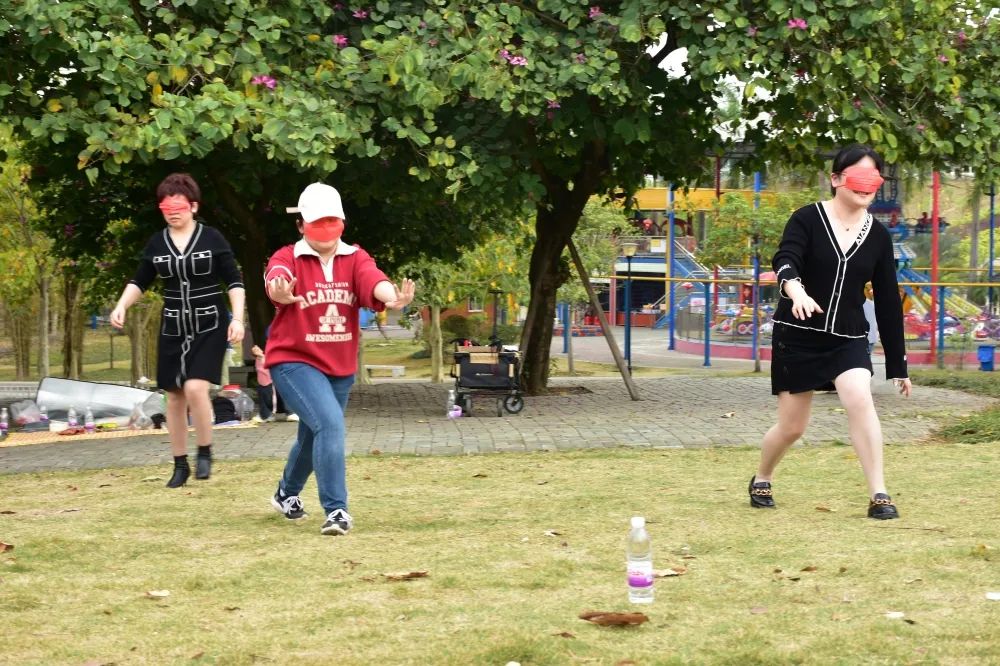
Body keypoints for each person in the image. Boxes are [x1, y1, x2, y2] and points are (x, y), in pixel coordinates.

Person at [749, 144, 912, 520]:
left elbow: (888, 301)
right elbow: (786, 259)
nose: (866, 186)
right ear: (836, 179)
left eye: (873, 178)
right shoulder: (807, 218)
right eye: (858, 177)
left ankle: (879, 494)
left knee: (860, 398)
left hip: (848, 337)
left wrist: (898, 365)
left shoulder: (878, 236)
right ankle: (762, 476)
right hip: (798, 334)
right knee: (793, 428)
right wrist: (796, 291)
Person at [264, 182, 415, 535]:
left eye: (331, 222)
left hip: (339, 366)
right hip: (293, 360)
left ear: (342, 223)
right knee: (330, 425)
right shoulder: (287, 257)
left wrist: (390, 296)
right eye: (317, 222)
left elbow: (372, 280)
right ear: (301, 224)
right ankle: (337, 511)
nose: (326, 230)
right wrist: (280, 291)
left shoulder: (355, 257)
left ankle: (286, 493)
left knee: (313, 435)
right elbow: (276, 280)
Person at [111, 173, 245, 488]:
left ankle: (205, 450)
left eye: (179, 207)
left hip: (209, 323)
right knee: (173, 396)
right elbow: (140, 280)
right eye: (167, 208)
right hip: (173, 326)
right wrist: (122, 305)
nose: (173, 213)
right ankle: (180, 463)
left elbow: (234, 281)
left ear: (193, 207)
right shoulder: (157, 243)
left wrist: (237, 319)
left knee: (195, 388)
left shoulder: (212, 239)